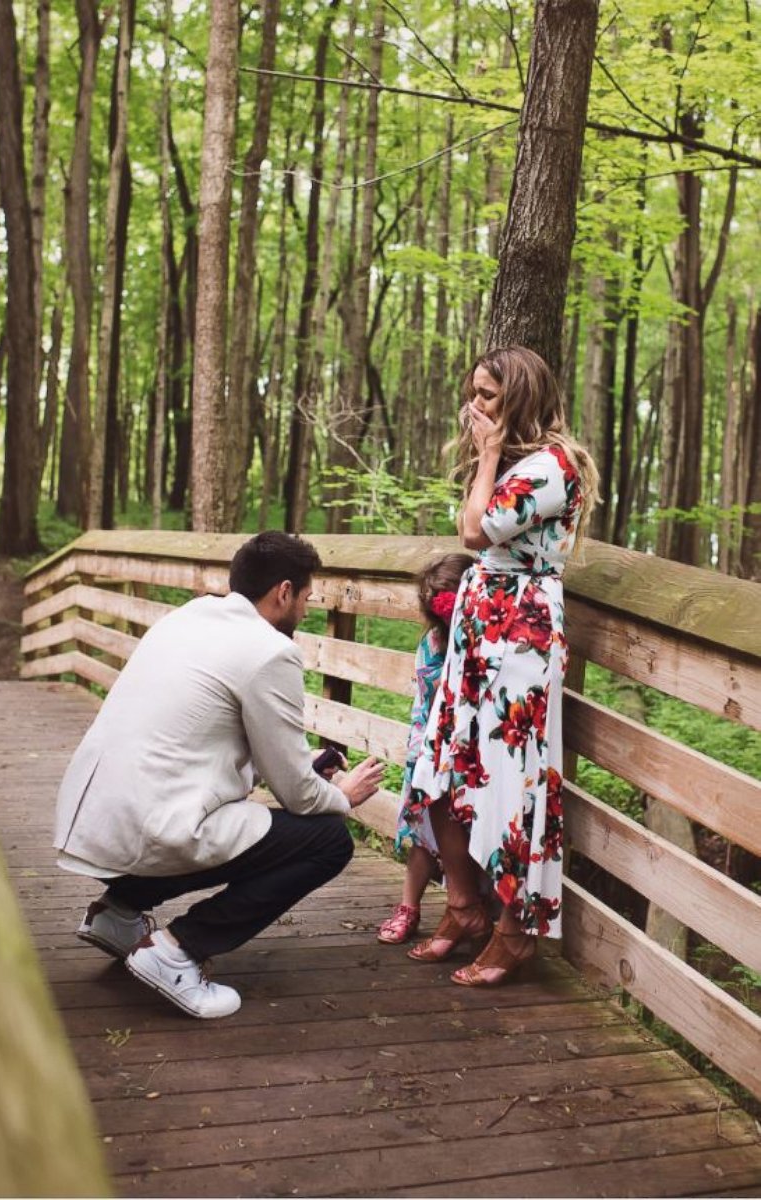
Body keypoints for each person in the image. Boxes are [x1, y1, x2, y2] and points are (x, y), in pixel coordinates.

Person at [54, 531, 385, 1019]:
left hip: (98, 813)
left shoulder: (188, 617)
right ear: (284, 592)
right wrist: (343, 796)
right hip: (155, 823)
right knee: (327, 839)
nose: (308, 611)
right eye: (308, 598)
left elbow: (210, 737)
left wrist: (304, 766)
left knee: (254, 824)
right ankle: (177, 951)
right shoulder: (270, 651)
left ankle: (118, 913)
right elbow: (298, 795)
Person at [405, 345, 598, 986]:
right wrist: (490, 457)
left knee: (508, 786)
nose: (474, 407)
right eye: (473, 393)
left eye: (487, 395)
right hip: (479, 632)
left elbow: (473, 531)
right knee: (445, 770)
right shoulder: (520, 463)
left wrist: (487, 455)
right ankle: (463, 907)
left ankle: (514, 933)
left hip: (519, 639)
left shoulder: (551, 466)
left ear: (519, 396)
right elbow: (477, 527)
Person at [376, 552, 474, 944]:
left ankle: (467, 906)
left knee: (463, 829)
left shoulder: (483, 641)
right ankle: (408, 906)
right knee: (423, 829)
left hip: (467, 750)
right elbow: (427, 696)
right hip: (429, 743)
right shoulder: (432, 642)